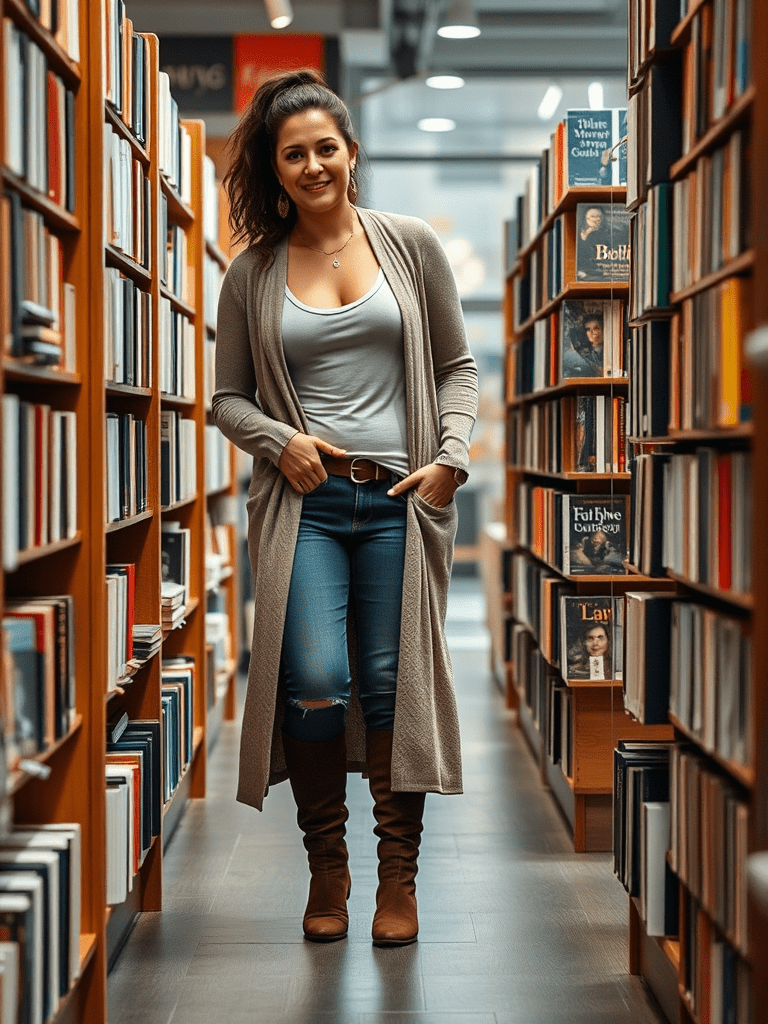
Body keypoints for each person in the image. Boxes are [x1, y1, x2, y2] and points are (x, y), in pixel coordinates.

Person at [212, 69, 478, 949]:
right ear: (275, 170)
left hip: (402, 501)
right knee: (319, 682)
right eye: (295, 154)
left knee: (393, 685)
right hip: (309, 507)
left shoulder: (408, 244)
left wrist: (450, 458)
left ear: (352, 154)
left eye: (327, 147)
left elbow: (456, 367)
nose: (314, 164)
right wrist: (278, 442)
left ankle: (395, 877)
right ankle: (328, 863)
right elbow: (227, 399)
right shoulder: (251, 274)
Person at [562, 311, 605, 377]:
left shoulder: (610, 354)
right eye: (588, 329)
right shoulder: (585, 356)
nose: (592, 332)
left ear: (603, 329)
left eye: (596, 328)